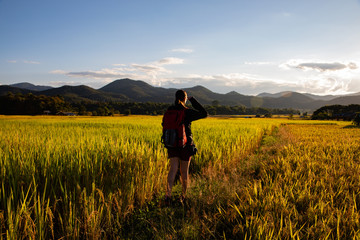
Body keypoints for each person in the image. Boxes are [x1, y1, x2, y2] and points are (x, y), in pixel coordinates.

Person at [164, 90, 207, 204]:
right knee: (184, 171)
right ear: (185, 99)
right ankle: (183, 196)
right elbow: (204, 113)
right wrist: (193, 100)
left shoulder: (169, 110)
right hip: (186, 145)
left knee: (172, 170)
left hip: (172, 144)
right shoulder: (186, 112)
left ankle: (167, 196)